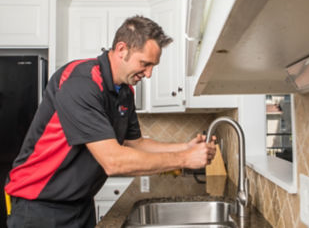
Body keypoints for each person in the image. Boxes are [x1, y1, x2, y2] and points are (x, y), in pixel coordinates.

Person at [5, 16, 217, 228]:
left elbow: (136, 143)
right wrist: (184, 159)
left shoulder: (125, 92)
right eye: (145, 64)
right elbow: (113, 161)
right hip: (38, 208)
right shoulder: (80, 83)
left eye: (153, 66)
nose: (149, 74)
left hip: (81, 205)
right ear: (122, 49)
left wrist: (185, 147)